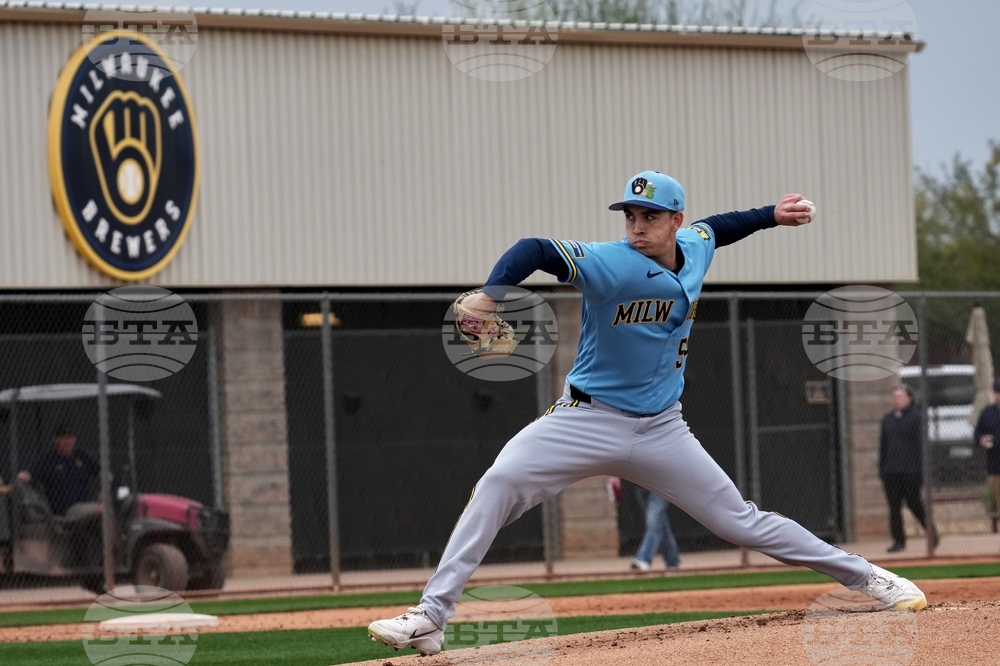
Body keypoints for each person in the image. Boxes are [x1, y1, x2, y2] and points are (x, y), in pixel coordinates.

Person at [367, 171, 928, 657]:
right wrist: (491, 295)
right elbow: (533, 247)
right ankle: (430, 618)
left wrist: (772, 216)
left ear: (674, 220)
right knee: (498, 483)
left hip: (663, 428)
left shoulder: (696, 243)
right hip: (583, 420)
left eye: (650, 215)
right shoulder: (612, 263)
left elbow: (721, 226)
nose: (637, 225)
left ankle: (870, 577)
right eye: (631, 214)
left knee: (741, 521)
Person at [879, 385, 937, 552]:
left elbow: (921, 446)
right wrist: (883, 469)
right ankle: (899, 541)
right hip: (891, 471)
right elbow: (883, 447)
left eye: (901, 397)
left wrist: (921, 470)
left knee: (914, 503)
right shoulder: (888, 419)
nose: (897, 400)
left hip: (911, 470)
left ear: (909, 399)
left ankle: (932, 533)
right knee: (894, 507)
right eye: (895, 397)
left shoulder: (916, 417)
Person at [17, 425, 100, 516]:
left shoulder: (82, 456)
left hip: (88, 505)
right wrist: (21, 477)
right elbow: (26, 475)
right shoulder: (47, 459)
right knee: (104, 509)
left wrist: (104, 490)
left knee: (112, 503)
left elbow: (105, 474)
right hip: (67, 510)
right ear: (55, 440)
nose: (67, 441)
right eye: (63, 438)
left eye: (70, 437)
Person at [610, 476, 680, 570]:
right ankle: (673, 562)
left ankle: (643, 559)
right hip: (641, 485)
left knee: (653, 522)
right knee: (660, 523)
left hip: (660, 485)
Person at [974, 379, 1000, 519]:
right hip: (994, 464)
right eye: (997, 392)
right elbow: (977, 433)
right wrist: (981, 440)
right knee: (995, 496)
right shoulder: (987, 413)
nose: (999, 395)